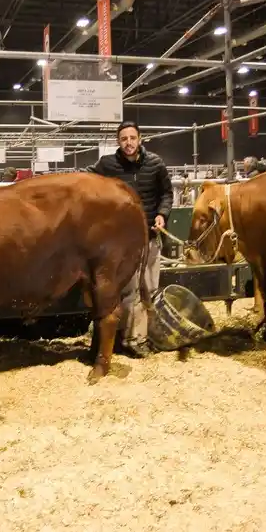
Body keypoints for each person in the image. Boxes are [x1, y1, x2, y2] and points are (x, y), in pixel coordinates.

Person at [86, 121, 174, 357]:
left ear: (140, 139)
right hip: (122, 243)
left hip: (151, 237)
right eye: (124, 139)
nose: (128, 143)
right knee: (128, 290)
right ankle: (126, 339)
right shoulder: (107, 165)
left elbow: (166, 193)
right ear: (118, 141)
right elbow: (85, 178)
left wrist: (162, 214)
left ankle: (142, 337)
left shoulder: (155, 164)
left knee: (150, 289)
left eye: (132, 138)